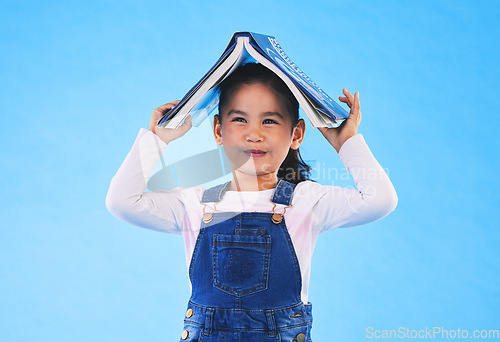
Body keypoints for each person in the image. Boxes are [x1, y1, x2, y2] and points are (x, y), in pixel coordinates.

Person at [106, 63, 398, 341]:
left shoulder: (307, 201)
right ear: (218, 130)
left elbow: (380, 200)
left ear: (296, 134)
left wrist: (346, 142)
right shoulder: (194, 205)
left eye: (269, 121)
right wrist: (157, 140)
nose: (254, 134)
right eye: (240, 119)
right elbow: (122, 201)